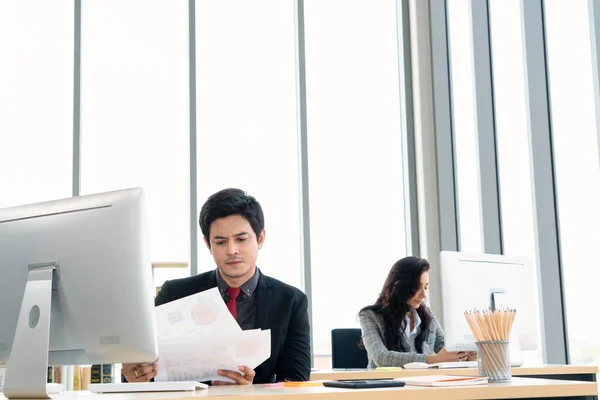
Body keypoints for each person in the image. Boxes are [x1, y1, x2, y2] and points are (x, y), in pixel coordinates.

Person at [122, 188, 311, 385]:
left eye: (241, 239)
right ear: (207, 244)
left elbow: (295, 383)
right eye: (220, 242)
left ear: (260, 238)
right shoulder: (173, 295)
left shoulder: (291, 301)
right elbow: (141, 374)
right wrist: (134, 375)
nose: (231, 250)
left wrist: (251, 393)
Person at [358, 256, 475, 367]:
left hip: (425, 383)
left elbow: (445, 349)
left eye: (426, 287)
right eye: (416, 288)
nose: (424, 295)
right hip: (386, 384)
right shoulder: (369, 316)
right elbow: (381, 358)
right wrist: (432, 360)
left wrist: (463, 355)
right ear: (399, 286)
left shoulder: (427, 315)